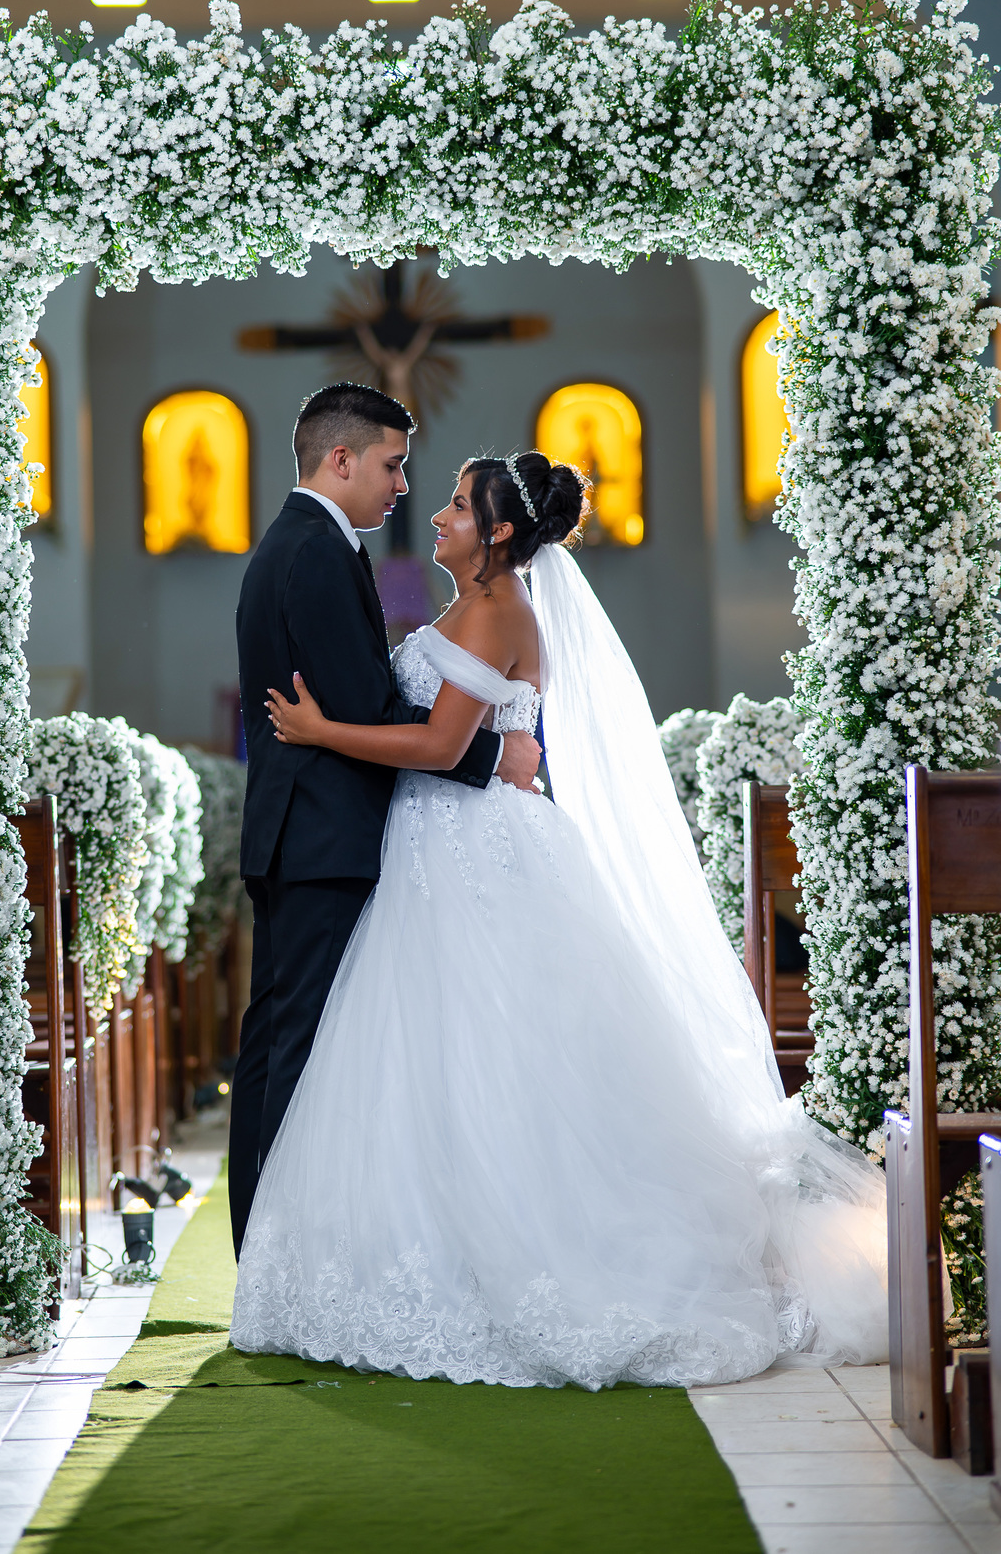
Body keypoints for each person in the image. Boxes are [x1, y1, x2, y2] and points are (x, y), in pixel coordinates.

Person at [230, 451, 889, 1389]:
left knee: (504, 1058)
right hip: (431, 850)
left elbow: (438, 741)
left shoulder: (502, 611)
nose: (442, 514)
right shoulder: (463, 607)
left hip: (479, 850)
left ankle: (539, 1253)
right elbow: (461, 733)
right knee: (430, 1063)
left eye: (460, 504)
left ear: (500, 532)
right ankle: (436, 1244)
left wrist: (321, 731)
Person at [229, 386, 542, 1257]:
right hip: (321, 837)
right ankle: (274, 1258)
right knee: (297, 1053)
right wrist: (495, 760)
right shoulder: (317, 553)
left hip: (316, 833)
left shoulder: (310, 544)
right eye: (395, 464)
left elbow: (368, 710)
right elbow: (372, 706)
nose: (405, 486)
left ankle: (269, 1251)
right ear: (343, 459)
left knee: (285, 1048)